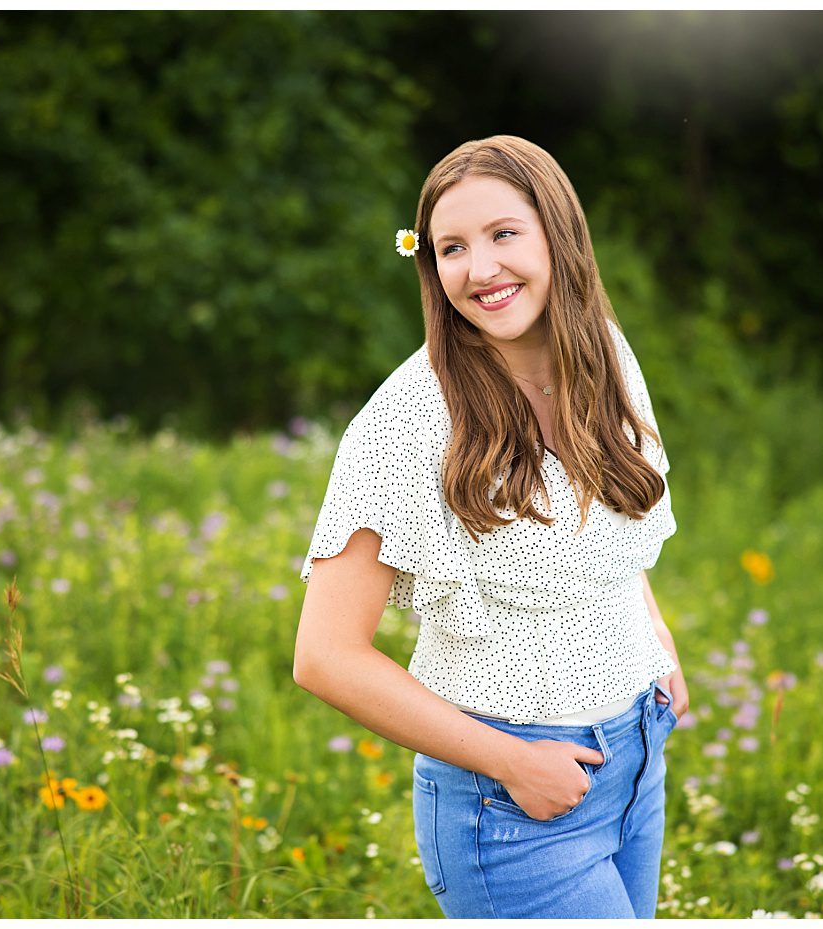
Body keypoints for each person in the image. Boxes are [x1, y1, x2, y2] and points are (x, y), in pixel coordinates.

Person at [293, 135, 689, 918]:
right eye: (451, 248)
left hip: (637, 757)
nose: (479, 270)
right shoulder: (407, 419)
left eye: (503, 233)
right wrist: (512, 761)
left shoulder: (604, 354)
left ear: (558, 235)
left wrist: (656, 640)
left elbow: (604, 527)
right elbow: (324, 656)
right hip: (511, 804)